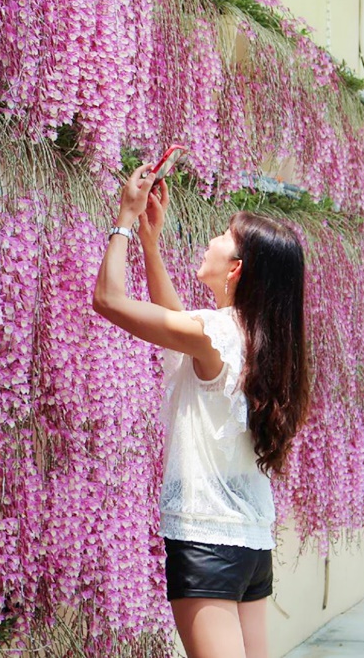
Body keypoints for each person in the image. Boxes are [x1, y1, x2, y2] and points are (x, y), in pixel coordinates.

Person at [92, 165, 310, 658]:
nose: (211, 239)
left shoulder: (217, 334)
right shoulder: (259, 342)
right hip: (251, 544)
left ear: (235, 268)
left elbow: (107, 299)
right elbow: (178, 328)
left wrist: (125, 218)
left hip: (206, 544)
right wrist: (151, 244)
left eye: (223, 236)